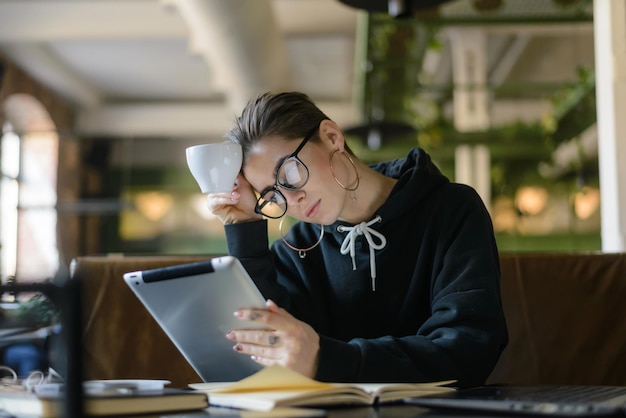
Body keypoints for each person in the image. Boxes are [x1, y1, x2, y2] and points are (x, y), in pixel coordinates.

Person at [207, 91, 508, 387]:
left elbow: (469, 349)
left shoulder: (450, 209)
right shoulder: (295, 247)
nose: (293, 199)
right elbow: (262, 355)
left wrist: (326, 360)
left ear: (331, 137)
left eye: (289, 170)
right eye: (272, 194)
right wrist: (243, 228)